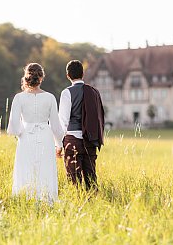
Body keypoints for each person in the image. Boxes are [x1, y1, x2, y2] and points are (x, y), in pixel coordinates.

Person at [7, 63, 64, 202]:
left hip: (26, 136)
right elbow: (56, 126)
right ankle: (47, 199)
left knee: (25, 167)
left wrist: (22, 131)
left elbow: (14, 127)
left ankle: (25, 199)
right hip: (45, 136)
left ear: (25, 77)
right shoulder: (50, 97)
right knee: (45, 168)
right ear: (42, 78)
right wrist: (59, 145)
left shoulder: (19, 98)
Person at [57, 60, 105, 190]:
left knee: (74, 180)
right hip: (90, 139)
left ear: (68, 75)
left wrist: (58, 145)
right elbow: (99, 116)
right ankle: (94, 204)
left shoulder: (67, 93)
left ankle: (77, 205)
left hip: (72, 140)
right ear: (83, 74)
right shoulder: (94, 92)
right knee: (91, 178)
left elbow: (63, 121)